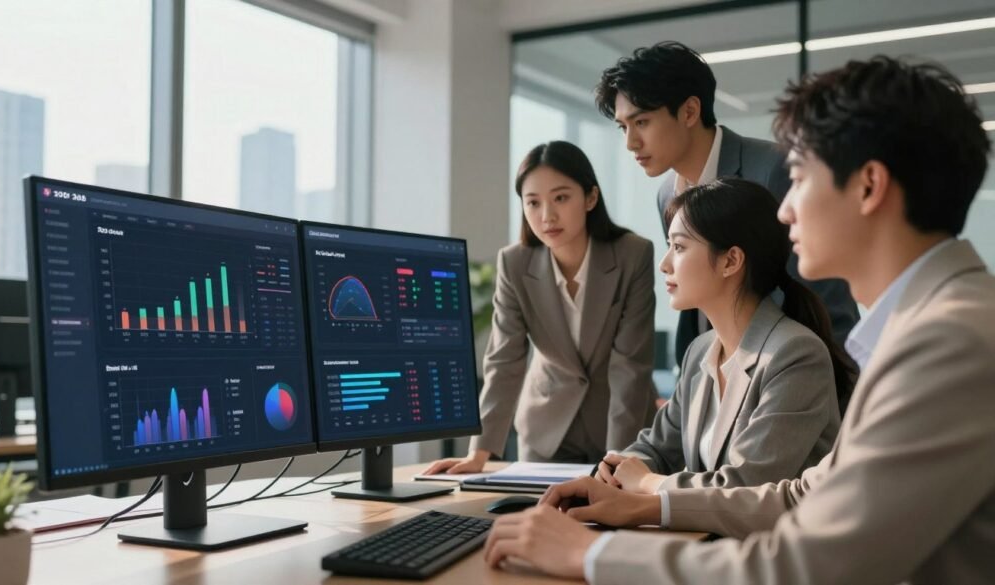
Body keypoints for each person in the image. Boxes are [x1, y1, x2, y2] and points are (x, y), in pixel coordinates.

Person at [483, 56, 995, 584]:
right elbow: (801, 494)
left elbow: (807, 564)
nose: (784, 209)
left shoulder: (949, 342)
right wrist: (643, 504)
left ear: (868, 186)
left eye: (798, 179)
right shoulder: (926, 329)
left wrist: (588, 556)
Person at [595, 41, 859, 367]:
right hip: (718, 383)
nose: (630, 143)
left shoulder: (774, 171)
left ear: (690, 111)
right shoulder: (667, 194)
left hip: (794, 378)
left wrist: (838, 396)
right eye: (623, 127)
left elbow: (826, 302)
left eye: (642, 122)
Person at [593, 178, 852, 495]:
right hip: (709, 538)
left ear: (731, 261)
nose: (664, 264)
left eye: (679, 247)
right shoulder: (700, 351)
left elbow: (747, 485)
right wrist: (618, 469)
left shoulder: (796, 354)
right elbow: (658, 448)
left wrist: (647, 482)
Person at [425, 141, 657, 471]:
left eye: (561, 198)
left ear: (590, 198)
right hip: (547, 431)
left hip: (622, 427)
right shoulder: (515, 263)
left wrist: (619, 459)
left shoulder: (633, 254)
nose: (546, 216)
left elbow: (630, 366)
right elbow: (504, 359)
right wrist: (480, 453)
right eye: (533, 202)